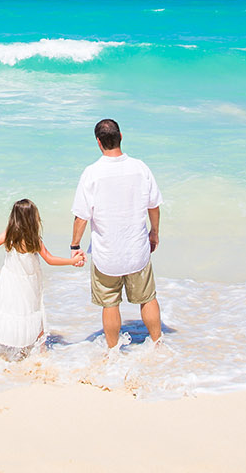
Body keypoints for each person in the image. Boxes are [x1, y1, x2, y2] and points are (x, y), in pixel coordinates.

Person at [70, 118, 163, 348]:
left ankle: (112, 353)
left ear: (99, 143)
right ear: (121, 137)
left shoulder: (92, 173)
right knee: (148, 298)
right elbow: (154, 206)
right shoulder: (140, 168)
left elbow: (82, 216)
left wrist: (75, 246)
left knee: (110, 304)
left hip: (107, 255)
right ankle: (158, 345)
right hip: (137, 251)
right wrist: (154, 233)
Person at [0, 199, 85, 358]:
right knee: (33, 311)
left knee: (10, 310)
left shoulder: (9, 235)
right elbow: (50, 259)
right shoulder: (34, 239)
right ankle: (39, 351)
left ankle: (2, 349)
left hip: (10, 282)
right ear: (33, 218)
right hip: (30, 283)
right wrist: (72, 261)